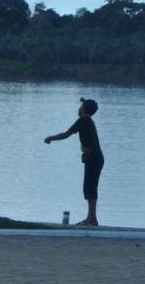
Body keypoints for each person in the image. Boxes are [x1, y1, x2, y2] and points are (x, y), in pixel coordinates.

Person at [45, 97, 104, 226]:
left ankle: (92, 219)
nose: (79, 108)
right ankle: (90, 217)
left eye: (81, 106)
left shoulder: (83, 120)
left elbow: (66, 134)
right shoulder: (87, 121)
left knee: (90, 188)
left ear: (83, 109)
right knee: (89, 187)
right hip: (94, 158)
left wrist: (51, 138)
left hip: (93, 158)